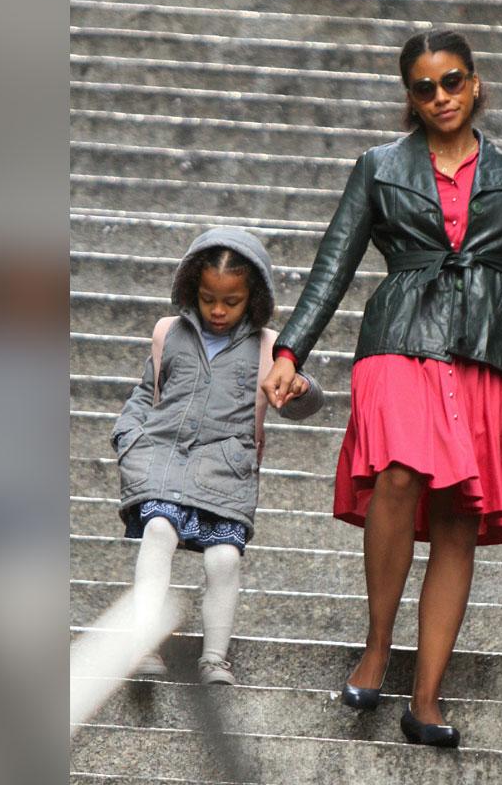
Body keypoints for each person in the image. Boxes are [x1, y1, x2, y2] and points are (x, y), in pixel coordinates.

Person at [260, 29, 502, 747]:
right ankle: (378, 645)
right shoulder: (380, 167)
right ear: (409, 97)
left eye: (453, 82)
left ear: (476, 83)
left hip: (481, 349)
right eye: (425, 87)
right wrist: (291, 349)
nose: (441, 97)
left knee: (457, 516)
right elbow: (333, 263)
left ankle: (426, 699)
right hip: (398, 341)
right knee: (396, 475)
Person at [111, 227, 325, 685]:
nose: (219, 310)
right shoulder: (170, 333)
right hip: (164, 460)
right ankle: (143, 644)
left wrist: (301, 388)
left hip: (225, 472)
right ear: (193, 290)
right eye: (209, 298)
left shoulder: (268, 347)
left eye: (232, 300)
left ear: (254, 298)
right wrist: (128, 439)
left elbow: (305, 402)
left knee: (224, 559)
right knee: (158, 531)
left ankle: (214, 657)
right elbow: (145, 394)